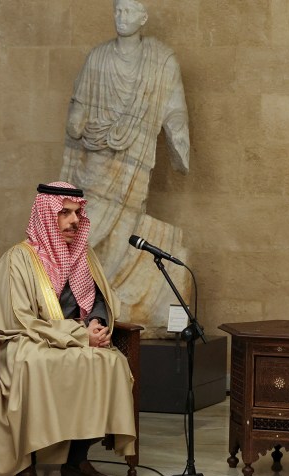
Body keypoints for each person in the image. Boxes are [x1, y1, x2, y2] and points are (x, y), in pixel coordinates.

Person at [0, 182, 137, 476]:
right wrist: (79, 335)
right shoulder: (19, 259)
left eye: (77, 213)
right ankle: (26, 462)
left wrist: (98, 325)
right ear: (47, 216)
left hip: (74, 339)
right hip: (24, 340)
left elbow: (98, 299)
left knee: (110, 363)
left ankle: (77, 460)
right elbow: (21, 319)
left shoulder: (82, 257)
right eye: (64, 213)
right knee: (34, 366)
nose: (74, 221)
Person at [60, 0, 192, 337]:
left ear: (143, 18)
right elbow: (79, 104)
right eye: (118, 11)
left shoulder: (162, 59)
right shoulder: (98, 57)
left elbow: (174, 105)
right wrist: (77, 120)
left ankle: (112, 297)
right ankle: (87, 300)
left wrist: (179, 137)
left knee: (127, 221)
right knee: (89, 227)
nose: (122, 17)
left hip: (133, 159)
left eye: (130, 11)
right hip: (95, 159)